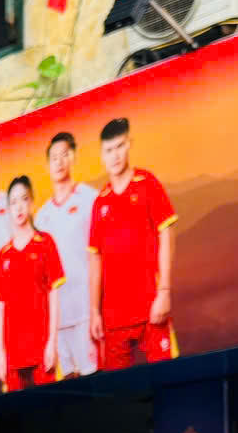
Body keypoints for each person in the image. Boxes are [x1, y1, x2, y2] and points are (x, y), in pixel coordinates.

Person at [87, 116, 177, 369]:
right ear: (102, 155)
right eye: (109, 150)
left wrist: (165, 292)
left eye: (119, 147)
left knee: (168, 380)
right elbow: (95, 260)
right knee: (120, 395)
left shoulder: (148, 184)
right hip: (114, 318)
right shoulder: (100, 203)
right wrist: (94, 311)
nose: (114, 155)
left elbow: (167, 235)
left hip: (151, 308)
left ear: (129, 145)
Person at [0, 177, 63, 394]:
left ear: (31, 203)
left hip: (41, 347)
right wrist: (1, 354)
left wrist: (52, 342)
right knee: (16, 417)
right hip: (13, 354)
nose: (19, 206)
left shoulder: (45, 243)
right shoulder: (3, 256)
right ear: (8, 208)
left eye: (24, 199)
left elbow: (54, 295)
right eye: (13, 202)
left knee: (49, 409)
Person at [35, 129, 99, 378]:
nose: (59, 162)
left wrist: (96, 309)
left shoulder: (89, 199)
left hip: (85, 311)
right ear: (47, 165)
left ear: (73, 158)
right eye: (54, 157)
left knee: (94, 382)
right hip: (58, 318)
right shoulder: (41, 217)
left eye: (64, 155)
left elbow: (98, 256)